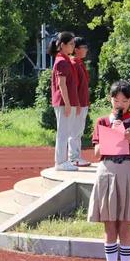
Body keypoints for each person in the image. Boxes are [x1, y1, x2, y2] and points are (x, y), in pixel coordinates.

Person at [87, 80, 130, 261]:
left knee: (125, 226)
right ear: (110, 99)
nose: (119, 103)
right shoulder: (102, 121)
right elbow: (95, 153)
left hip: (127, 170)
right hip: (107, 170)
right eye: (116, 99)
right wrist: (110, 133)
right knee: (109, 226)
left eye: (124, 99)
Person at [48, 31, 79, 172]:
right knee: (63, 132)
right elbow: (62, 84)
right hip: (63, 102)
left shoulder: (65, 60)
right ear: (62, 45)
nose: (73, 46)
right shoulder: (61, 61)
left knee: (65, 131)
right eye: (71, 44)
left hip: (67, 101)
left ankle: (63, 160)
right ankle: (60, 162)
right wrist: (67, 103)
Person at [68, 36, 91, 167]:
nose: (86, 50)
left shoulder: (80, 63)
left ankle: (77, 156)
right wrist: (76, 103)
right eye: (84, 48)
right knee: (75, 131)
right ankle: (74, 157)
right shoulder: (74, 64)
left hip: (83, 102)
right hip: (78, 104)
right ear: (76, 49)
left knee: (78, 131)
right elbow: (74, 86)